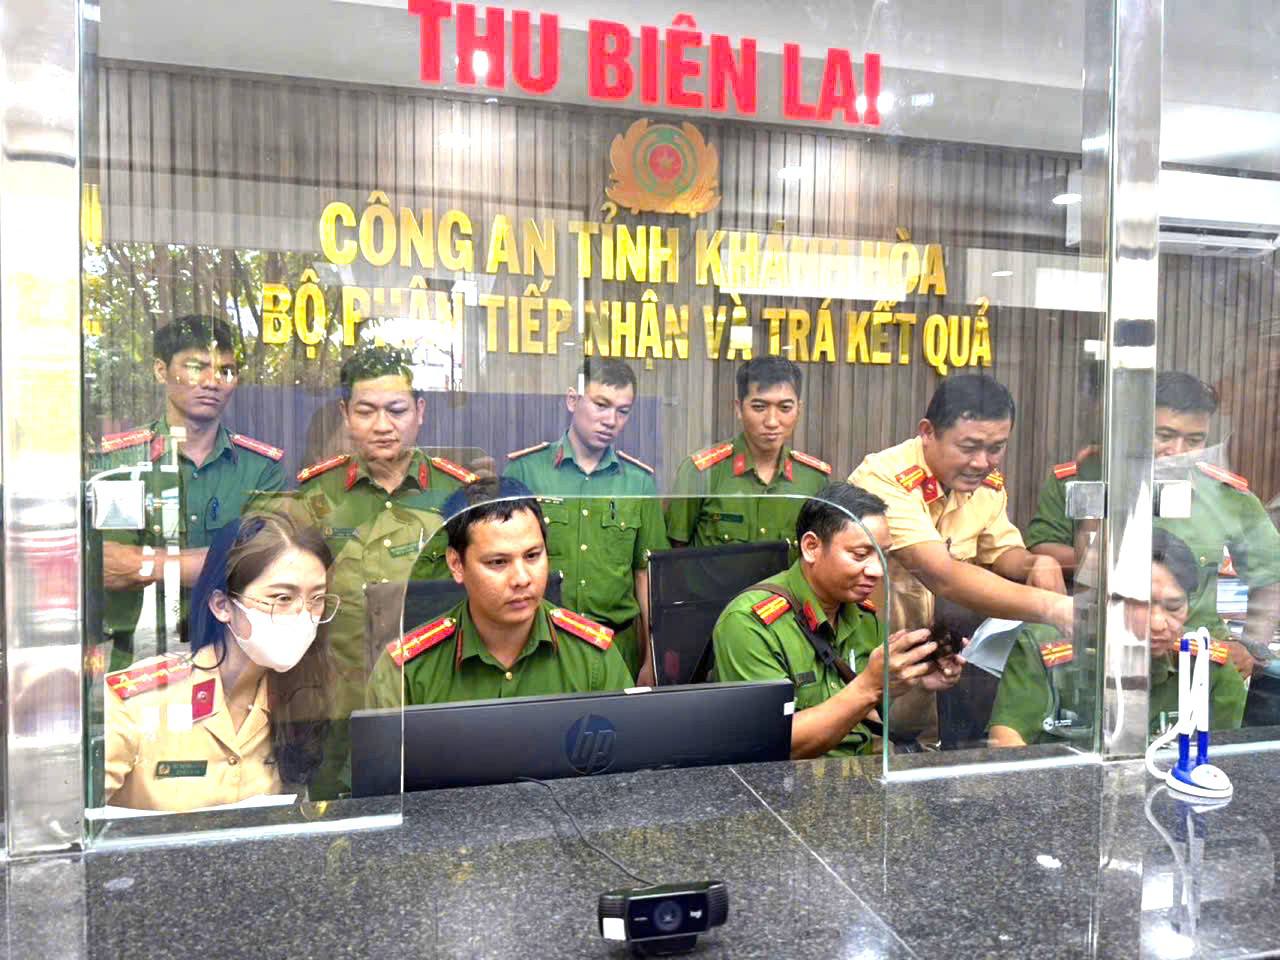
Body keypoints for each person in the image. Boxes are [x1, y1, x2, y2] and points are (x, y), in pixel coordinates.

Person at [1025, 371, 1280, 678]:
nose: (1178, 450)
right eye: (1164, 435)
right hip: (1100, 659)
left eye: (1194, 440)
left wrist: (1252, 645)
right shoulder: (1084, 477)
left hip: (1197, 664)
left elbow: (1271, 576)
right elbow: (1044, 551)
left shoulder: (1225, 495)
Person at [103, 513, 338, 811]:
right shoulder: (140, 703)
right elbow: (71, 820)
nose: (302, 615)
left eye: (317, 599)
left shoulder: (300, 696)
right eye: (282, 598)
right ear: (222, 605)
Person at [711, 482, 963, 759]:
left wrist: (918, 685)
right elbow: (769, 744)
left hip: (861, 771)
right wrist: (869, 685)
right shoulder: (750, 624)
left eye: (883, 556)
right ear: (811, 547)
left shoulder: (864, 616)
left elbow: (881, 725)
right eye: (860, 555)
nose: (877, 571)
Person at [93, 315, 285, 669]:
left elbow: (266, 565)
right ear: (161, 370)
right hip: (135, 664)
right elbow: (110, 567)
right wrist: (222, 560)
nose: (212, 382)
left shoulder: (261, 468)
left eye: (226, 371)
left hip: (233, 659)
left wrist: (147, 563)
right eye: (196, 368)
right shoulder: (121, 462)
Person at [367, 478, 634, 707]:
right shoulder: (406, 672)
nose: (522, 579)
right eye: (498, 562)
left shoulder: (593, 659)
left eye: (532, 556)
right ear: (456, 564)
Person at [849, 374, 1071, 636]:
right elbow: (941, 575)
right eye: (968, 447)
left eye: (995, 448)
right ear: (928, 432)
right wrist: (1052, 606)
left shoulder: (985, 486)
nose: (981, 463)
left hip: (934, 647)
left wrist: (1036, 563)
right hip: (870, 648)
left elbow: (1000, 552)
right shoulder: (882, 477)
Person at [989, 529, 1246, 747]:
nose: (1158, 623)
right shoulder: (1045, 651)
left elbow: (1222, 759)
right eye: (1142, 604)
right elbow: (1007, 745)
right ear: (1107, 599)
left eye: (1174, 607)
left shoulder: (1206, 668)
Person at [504, 359, 669, 683]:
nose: (611, 420)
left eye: (623, 411)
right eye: (601, 404)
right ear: (573, 400)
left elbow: (646, 575)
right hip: (540, 645)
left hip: (615, 647)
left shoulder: (638, 482)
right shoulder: (526, 471)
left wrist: (652, 657)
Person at [666, 356, 832, 551]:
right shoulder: (701, 473)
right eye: (759, 407)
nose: (772, 421)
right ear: (739, 408)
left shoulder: (814, 480)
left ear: (799, 410)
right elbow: (675, 554)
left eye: (785, 408)